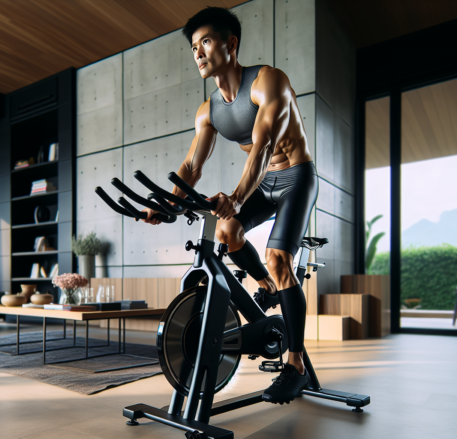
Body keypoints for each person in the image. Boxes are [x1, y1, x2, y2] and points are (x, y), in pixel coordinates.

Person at [140, 7, 319, 404]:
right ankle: (267, 287)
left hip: (296, 177)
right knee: (226, 231)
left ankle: (296, 367)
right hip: (264, 182)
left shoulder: (268, 82)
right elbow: (191, 167)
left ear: (231, 44)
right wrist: (166, 204)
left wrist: (236, 197)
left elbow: (264, 145)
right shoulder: (209, 111)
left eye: (205, 42)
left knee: (278, 258)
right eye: (193, 47)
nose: (198, 53)